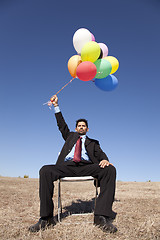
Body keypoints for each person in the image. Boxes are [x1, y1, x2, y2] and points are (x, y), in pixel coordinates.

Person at [29, 95, 117, 233]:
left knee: (110, 169)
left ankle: (101, 216)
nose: (81, 127)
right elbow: (61, 124)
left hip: (86, 167)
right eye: (79, 126)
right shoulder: (69, 136)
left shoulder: (93, 142)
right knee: (45, 170)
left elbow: (100, 154)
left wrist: (105, 159)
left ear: (87, 129)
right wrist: (56, 106)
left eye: (84, 126)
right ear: (76, 128)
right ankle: (45, 218)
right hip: (67, 167)